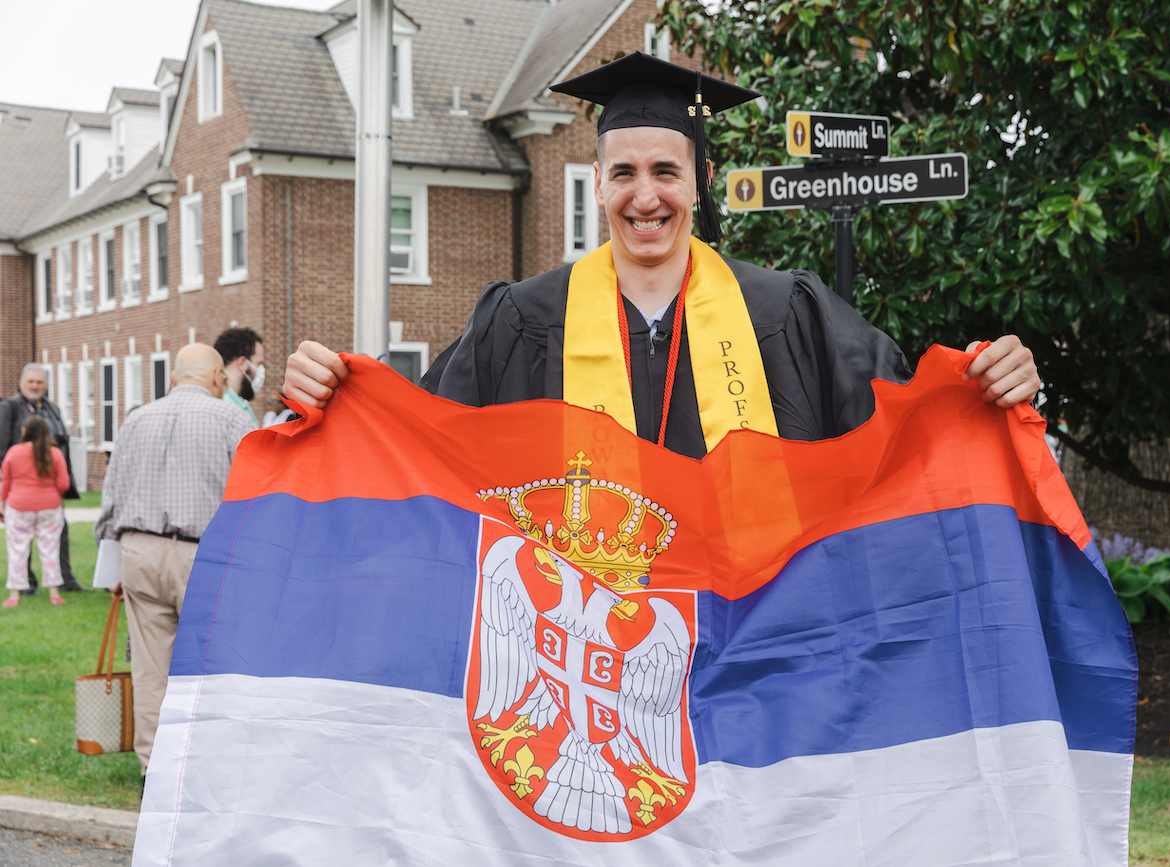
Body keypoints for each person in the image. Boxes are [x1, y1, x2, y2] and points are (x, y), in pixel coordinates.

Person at [284, 53, 1039, 458]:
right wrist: (335, 396)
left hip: (747, 645)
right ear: (597, 183)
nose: (645, 197)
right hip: (579, 659)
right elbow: (419, 436)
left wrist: (984, 385)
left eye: (665, 171)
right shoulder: (521, 319)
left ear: (700, 180)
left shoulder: (787, 313)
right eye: (624, 173)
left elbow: (903, 421)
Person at [95, 343, 256, 780]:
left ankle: (154, 770)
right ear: (218, 378)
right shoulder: (233, 420)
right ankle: (207, 763)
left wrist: (112, 566)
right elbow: (251, 499)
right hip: (204, 552)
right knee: (210, 665)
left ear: (173, 379)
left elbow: (110, 500)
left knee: (150, 669)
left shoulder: (135, 420)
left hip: (139, 551)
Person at [0, 364, 85, 593]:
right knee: (21, 540)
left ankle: (65, 580)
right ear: (21, 383)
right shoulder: (10, 407)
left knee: (59, 536)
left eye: (39, 382)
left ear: (46, 385)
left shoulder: (52, 408)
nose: (35, 386)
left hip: (50, 486)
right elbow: (2, 447)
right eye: (31, 382)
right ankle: (27, 583)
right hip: (22, 486)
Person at [2, 416, 71, 607]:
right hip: (50, 507)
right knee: (50, 549)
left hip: (18, 506)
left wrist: (2, 504)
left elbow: (5, 482)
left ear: (25, 431)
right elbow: (64, 483)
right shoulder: (55, 453)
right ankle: (54, 594)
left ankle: (14, 596)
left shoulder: (14, 452)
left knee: (17, 550)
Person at [213, 327, 265, 427]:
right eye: (258, 363)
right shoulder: (229, 409)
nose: (261, 370)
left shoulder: (239, 404)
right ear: (242, 363)